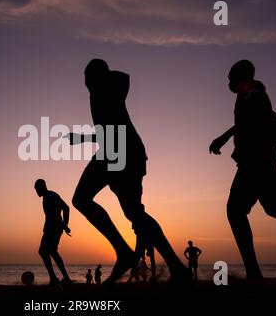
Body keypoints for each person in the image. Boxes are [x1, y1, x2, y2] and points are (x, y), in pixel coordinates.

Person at [69, 59, 190, 283]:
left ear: (96, 76)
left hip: (125, 153)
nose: (85, 82)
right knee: (123, 210)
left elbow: (124, 77)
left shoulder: (110, 88)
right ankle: (171, 265)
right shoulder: (96, 95)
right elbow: (108, 131)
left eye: (88, 76)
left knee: (121, 210)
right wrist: (83, 138)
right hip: (116, 153)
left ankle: (146, 259)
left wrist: (103, 73)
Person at [209, 60, 276, 279]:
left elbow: (270, 126)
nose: (228, 82)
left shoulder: (252, 93)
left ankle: (253, 272)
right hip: (260, 162)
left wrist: (257, 156)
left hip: (255, 163)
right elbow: (247, 122)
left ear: (240, 77)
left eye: (231, 77)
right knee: (274, 207)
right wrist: (226, 136)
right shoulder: (249, 94)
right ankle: (253, 271)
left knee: (235, 211)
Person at [34, 179, 72, 286]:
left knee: (44, 251)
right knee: (51, 251)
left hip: (54, 228)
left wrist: (65, 224)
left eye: (37, 189)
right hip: (52, 228)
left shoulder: (51, 195)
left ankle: (55, 278)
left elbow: (66, 208)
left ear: (42, 187)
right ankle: (61, 278)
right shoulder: (46, 197)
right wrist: (64, 225)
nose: (36, 192)